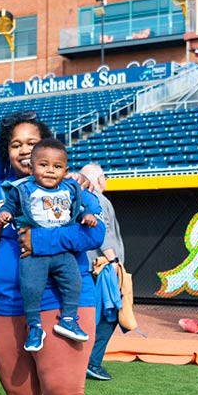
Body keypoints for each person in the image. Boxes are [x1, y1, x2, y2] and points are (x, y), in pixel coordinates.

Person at [0, 112, 105, 395]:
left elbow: (95, 235)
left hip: (57, 301)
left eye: (31, 144)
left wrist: (42, 239)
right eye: (15, 144)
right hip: (6, 308)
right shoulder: (0, 190)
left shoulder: (70, 187)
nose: (23, 150)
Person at [0, 138, 97, 352]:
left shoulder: (71, 189)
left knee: (74, 283)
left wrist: (87, 215)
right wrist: (4, 213)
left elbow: (81, 209)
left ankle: (68, 320)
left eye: (57, 166)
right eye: (44, 165)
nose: (50, 171)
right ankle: (34, 327)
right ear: (32, 167)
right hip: (33, 255)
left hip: (62, 252)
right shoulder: (24, 189)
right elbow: (9, 205)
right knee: (31, 288)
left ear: (66, 170)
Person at [79, 163, 124, 381]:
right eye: (104, 176)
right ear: (98, 179)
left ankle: (86, 360)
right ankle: (92, 362)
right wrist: (114, 261)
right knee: (109, 314)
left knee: (93, 315)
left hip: (92, 266)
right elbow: (102, 231)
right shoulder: (97, 199)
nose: (106, 180)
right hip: (101, 267)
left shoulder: (85, 198)